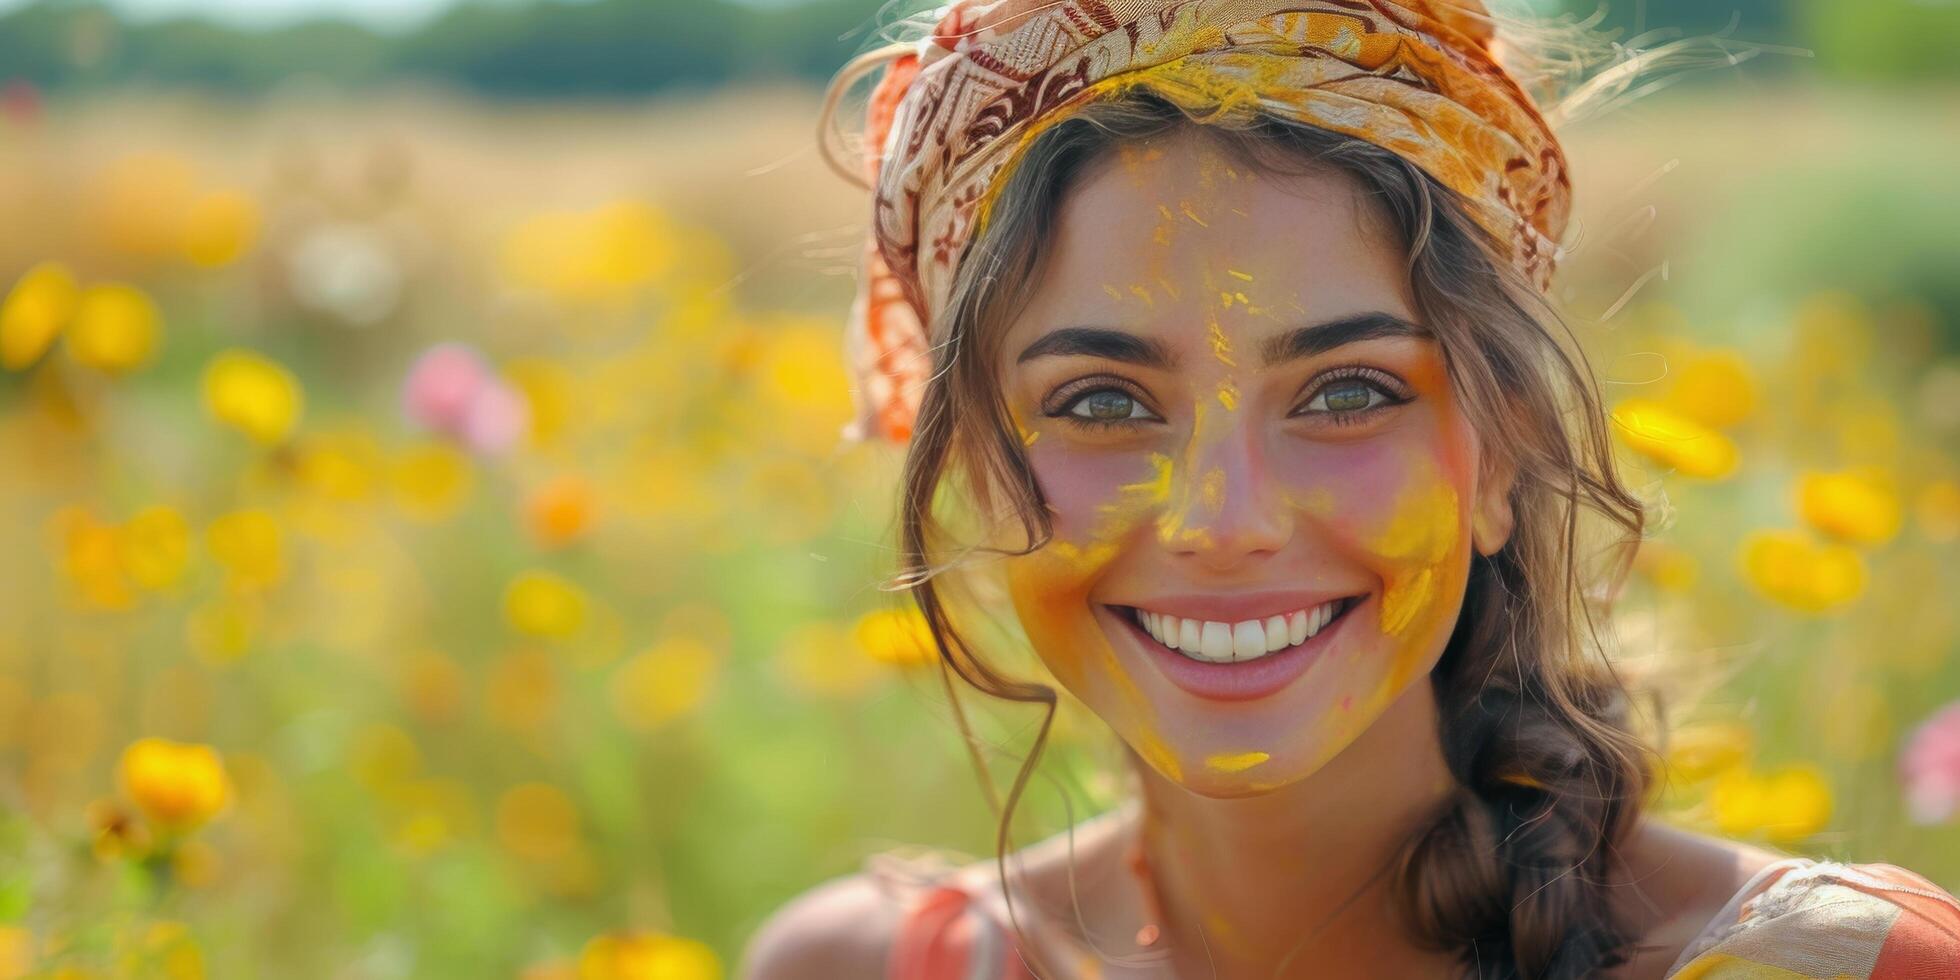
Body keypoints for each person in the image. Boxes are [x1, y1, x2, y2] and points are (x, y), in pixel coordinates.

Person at [744, 2, 1960, 977]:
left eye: (1345, 391)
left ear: (1503, 451)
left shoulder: (1840, 966)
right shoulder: (855, 963)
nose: (1226, 519)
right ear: (968, 473)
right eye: (1102, 402)